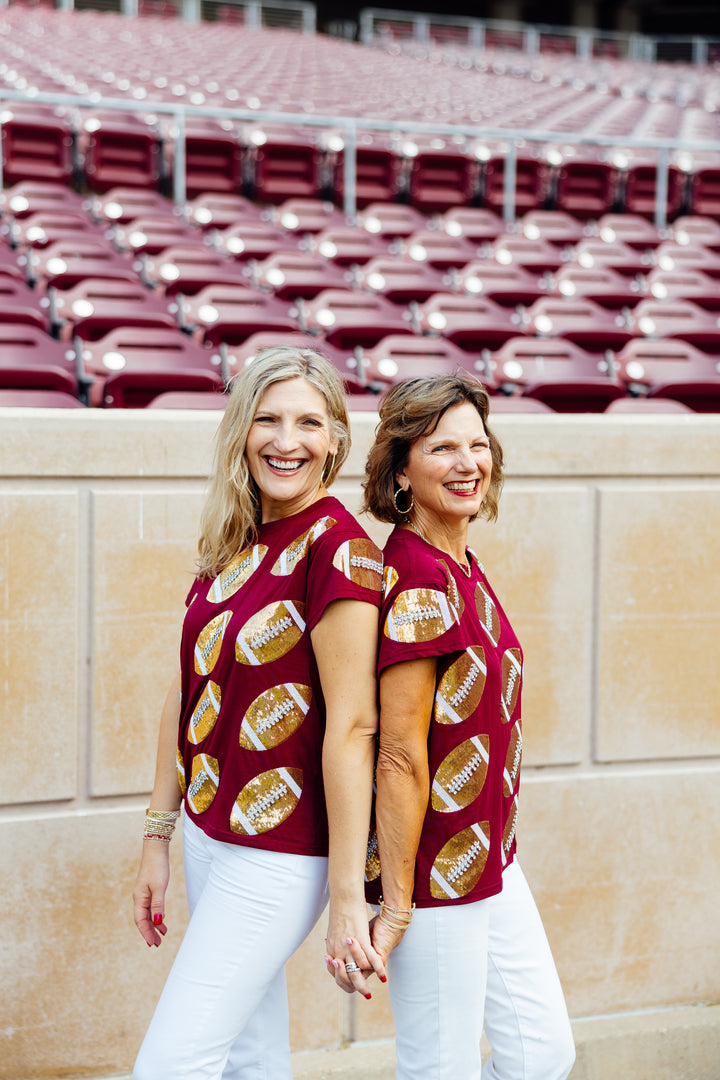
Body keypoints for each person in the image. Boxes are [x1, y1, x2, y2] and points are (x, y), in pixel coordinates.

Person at [132, 345, 386, 1080]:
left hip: (280, 854)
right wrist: (159, 835)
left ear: (336, 438)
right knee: (249, 1056)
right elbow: (185, 691)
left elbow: (354, 729)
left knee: (172, 1064)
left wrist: (346, 896)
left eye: (309, 422)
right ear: (241, 430)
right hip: (212, 836)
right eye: (268, 419)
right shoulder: (234, 539)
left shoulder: (339, 551)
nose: (286, 440)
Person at [358, 372, 576, 1080]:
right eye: (441, 448)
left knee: (542, 1053)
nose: (467, 463)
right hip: (433, 876)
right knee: (438, 1069)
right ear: (401, 470)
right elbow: (398, 755)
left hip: (492, 862)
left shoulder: (461, 563)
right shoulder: (418, 578)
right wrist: (395, 905)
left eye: (478, 445)